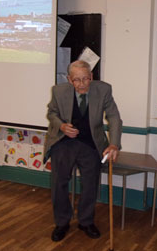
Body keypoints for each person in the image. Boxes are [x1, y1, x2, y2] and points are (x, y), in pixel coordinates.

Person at [44, 60, 122, 242]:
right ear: (70, 80)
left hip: (90, 143)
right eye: (77, 80)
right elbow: (51, 113)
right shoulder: (58, 91)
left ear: (91, 77)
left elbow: (114, 117)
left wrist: (114, 144)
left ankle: (86, 221)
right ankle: (62, 222)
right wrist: (62, 126)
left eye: (85, 79)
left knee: (90, 184)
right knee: (59, 184)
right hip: (63, 142)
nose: (82, 84)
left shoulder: (103, 90)